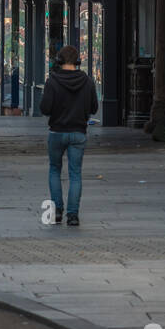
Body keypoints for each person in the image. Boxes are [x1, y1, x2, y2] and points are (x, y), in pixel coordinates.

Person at [40, 44, 98, 227]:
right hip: (78, 133)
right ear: (78, 61)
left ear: (58, 61)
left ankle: (57, 211)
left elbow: (45, 109)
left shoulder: (52, 81)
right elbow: (94, 108)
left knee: (55, 170)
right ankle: (73, 216)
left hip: (57, 132)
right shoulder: (87, 81)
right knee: (75, 174)